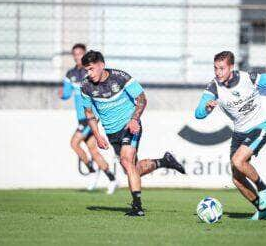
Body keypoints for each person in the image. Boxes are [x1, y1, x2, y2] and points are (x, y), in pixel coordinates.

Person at [195, 51, 266, 220]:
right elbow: (198, 113)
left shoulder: (249, 78)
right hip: (239, 132)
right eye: (215, 68)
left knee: (237, 161)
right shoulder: (214, 87)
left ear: (231, 67)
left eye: (222, 68)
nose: (218, 72)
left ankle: (263, 188)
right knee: (237, 178)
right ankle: (262, 211)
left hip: (259, 126)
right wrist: (206, 108)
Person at [80, 50, 186, 216]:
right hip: (111, 132)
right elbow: (89, 114)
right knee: (132, 169)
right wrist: (98, 135)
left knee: (126, 161)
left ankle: (137, 207)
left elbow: (142, 99)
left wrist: (134, 119)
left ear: (101, 65)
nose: (89, 73)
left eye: (91, 69)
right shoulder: (85, 86)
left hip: (130, 126)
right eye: (86, 70)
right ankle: (164, 161)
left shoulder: (121, 77)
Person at [59, 44, 117, 194]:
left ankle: (92, 171)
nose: (77, 56)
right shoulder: (71, 74)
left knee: (74, 143)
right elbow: (66, 94)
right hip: (80, 118)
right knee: (93, 150)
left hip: (89, 118)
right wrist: (62, 94)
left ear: (84, 55)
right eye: (75, 54)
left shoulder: (90, 73)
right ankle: (111, 179)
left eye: (80, 54)